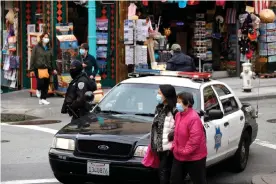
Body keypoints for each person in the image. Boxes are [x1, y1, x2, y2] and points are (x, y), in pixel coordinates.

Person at [170, 92, 207, 184]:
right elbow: (176, 133)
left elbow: (195, 140)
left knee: (199, 181)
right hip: (179, 156)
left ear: (187, 104)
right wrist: (175, 147)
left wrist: (184, 151)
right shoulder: (178, 115)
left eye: (179, 102)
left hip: (195, 158)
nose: (177, 104)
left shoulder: (194, 118)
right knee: (174, 180)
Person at [150, 84, 177, 184]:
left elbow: (181, 128)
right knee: (160, 173)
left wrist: (172, 135)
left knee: (164, 174)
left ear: (166, 95)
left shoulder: (175, 110)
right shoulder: (159, 108)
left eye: (159, 93)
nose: (157, 95)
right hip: (159, 148)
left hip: (169, 150)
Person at [30, 32, 57, 105]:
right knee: (40, 82)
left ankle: (43, 99)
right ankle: (38, 89)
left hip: (47, 68)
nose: (46, 39)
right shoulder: (36, 47)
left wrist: (54, 68)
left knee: (46, 84)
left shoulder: (49, 48)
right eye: (45, 37)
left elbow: (52, 59)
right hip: (38, 68)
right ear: (42, 38)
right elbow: (32, 58)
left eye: (47, 37)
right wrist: (31, 69)